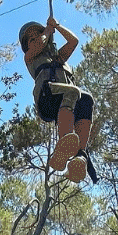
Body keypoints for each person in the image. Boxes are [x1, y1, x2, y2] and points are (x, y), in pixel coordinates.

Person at [19, 17, 96, 183]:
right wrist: (47, 30)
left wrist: (57, 26)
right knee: (73, 92)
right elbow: (40, 44)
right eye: (31, 39)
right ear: (27, 45)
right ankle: (65, 140)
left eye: (37, 35)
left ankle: (79, 156)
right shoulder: (30, 57)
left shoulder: (57, 58)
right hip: (47, 96)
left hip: (63, 100)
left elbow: (73, 41)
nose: (36, 39)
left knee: (87, 99)